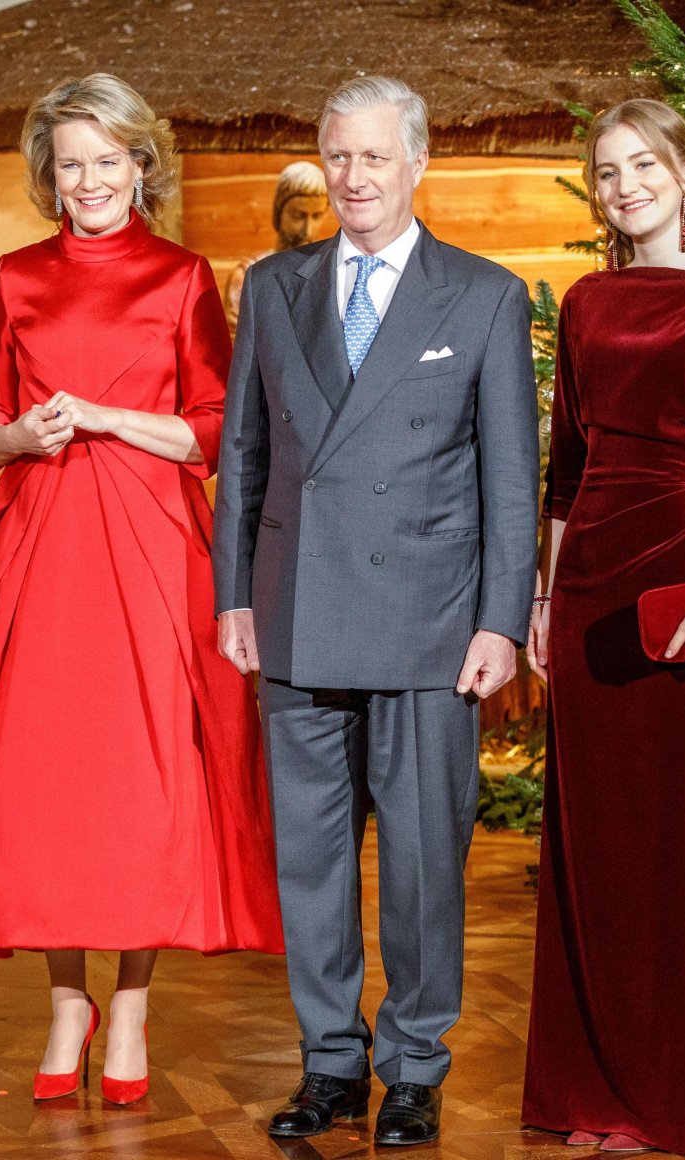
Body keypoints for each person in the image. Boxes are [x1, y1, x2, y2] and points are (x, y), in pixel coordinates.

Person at [0, 72, 284, 1107]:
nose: (89, 180)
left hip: (153, 550)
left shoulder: (181, 277)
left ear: (140, 165)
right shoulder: (18, 277)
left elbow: (216, 431)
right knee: (39, 784)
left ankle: (129, 1006)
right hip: (40, 548)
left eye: (107, 160)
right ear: (50, 175)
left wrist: (111, 417)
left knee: (144, 786)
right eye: (70, 164)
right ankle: (66, 1001)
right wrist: (22, 434)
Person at [212, 76, 539, 1146]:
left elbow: (511, 479)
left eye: (374, 157)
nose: (353, 178)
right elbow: (245, 454)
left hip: (430, 622)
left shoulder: (485, 295)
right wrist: (233, 595)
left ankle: (414, 1064)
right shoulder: (274, 286)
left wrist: (499, 620)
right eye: (338, 157)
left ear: (417, 164)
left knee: (422, 859)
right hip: (297, 611)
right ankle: (329, 1062)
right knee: (309, 859)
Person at [522, 98, 685, 1155]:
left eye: (642, 165)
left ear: (684, 173)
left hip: (684, 588)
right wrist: (544, 600)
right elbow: (566, 470)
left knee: (684, 849)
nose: (623, 185)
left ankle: (681, 1097)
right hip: (588, 589)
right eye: (607, 170)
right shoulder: (588, 302)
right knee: (601, 853)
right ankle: (596, 1088)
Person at [222, 160, 329, 337]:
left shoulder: (330, 274)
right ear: (279, 213)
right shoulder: (248, 276)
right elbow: (235, 342)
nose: (307, 230)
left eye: (316, 216)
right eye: (297, 216)